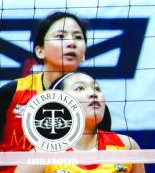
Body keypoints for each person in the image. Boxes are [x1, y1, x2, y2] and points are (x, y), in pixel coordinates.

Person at [0, 12, 111, 172]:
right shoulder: (13, 92)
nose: (71, 43)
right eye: (60, 36)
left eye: (78, 37)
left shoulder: (92, 101)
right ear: (40, 51)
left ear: (84, 54)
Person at [16, 72, 144, 173]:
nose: (93, 93)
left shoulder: (126, 146)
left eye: (97, 89)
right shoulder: (41, 156)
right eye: (80, 88)